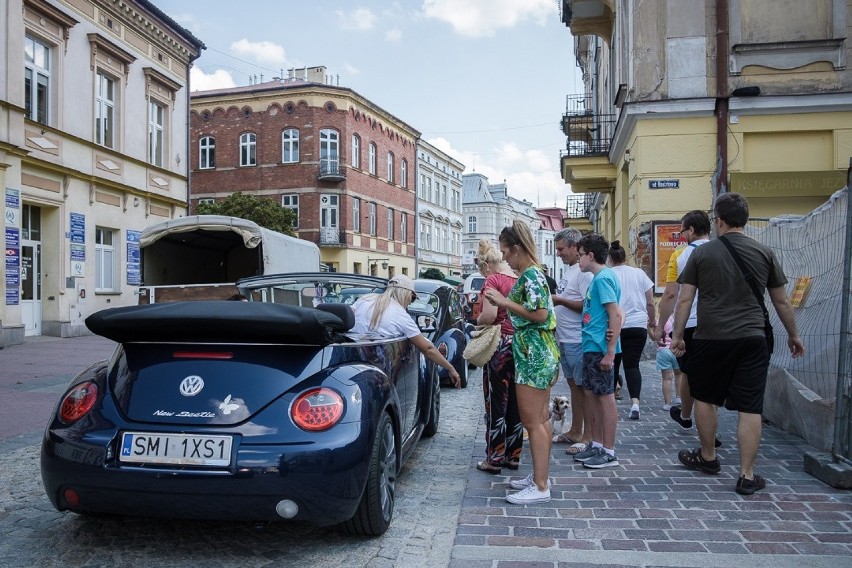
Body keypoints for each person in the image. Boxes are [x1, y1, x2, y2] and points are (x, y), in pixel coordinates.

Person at [671, 192, 805, 495]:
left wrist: (678, 336)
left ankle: (708, 457)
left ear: (718, 220)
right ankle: (747, 475)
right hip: (752, 338)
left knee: (705, 398)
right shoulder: (764, 251)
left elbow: (685, 299)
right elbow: (781, 302)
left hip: (710, 337)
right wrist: (794, 335)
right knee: (750, 406)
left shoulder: (701, 255)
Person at [483, 221, 559, 504]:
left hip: (534, 354)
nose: (503, 258)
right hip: (538, 352)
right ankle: (540, 477)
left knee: (532, 421)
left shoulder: (530, 276)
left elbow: (539, 314)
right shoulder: (534, 274)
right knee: (541, 420)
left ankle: (540, 487)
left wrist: (503, 302)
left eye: (505, 251)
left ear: (517, 249)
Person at [652, 210, 711, 431]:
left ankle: (686, 415)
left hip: (691, 322)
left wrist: (661, 328)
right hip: (718, 323)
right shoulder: (722, 251)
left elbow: (670, 294)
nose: (682, 234)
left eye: (683, 230)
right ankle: (708, 421)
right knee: (709, 376)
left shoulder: (681, 255)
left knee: (687, 372)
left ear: (692, 230)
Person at [350, 274, 461, 387]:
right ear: (406, 294)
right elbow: (428, 349)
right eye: (412, 298)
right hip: (383, 369)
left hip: (353, 360)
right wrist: (450, 368)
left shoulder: (365, 299)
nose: (410, 302)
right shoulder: (401, 315)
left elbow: (348, 318)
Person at [571, 233, 624, 469]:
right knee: (592, 395)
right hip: (592, 345)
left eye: (580, 255)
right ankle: (598, 444)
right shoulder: (598, 278)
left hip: (600, 348)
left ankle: (609, 450)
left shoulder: (603, 279)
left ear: (590, 255)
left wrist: (611, 351)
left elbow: (616, 314)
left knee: (605, 397)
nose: (578, 259)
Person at [474, 239, 522, 474]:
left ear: (486, 265)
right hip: (520, 345)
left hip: (500, 344)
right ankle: (513, 456)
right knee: (516, 402)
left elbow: (490, 315)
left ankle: (494, 458)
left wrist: (476, 322)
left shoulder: (493, 280)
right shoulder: (518, 278)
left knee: (495, 403)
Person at [551, 228, 594, 456]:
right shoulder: (570, 272)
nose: (558, 253)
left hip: (578, 339)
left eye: (561, 249)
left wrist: (559, 300)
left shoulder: (584, 273)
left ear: (575, 248)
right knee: (574, 387)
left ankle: (587, 436)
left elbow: (588, 306)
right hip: (565, 339)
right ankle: (576, 430)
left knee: (584, 389)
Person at [607, 240, 654, 420]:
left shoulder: (607, 274)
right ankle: (635, 403)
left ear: (610, 258)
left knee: (613, 365)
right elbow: (650, 301)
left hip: (615, 325)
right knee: (632, 365)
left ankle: (610, 403)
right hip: (637, 325)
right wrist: (652, 320)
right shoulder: (639, 273)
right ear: (625, 257)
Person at [656, 316, 682, 411]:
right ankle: (679, 398)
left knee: (666, 378)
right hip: (676, 349)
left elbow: (655, 335)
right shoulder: (678, 319)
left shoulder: (660, 321)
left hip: (663, 351)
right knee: (679, 374)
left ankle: (668, 403)